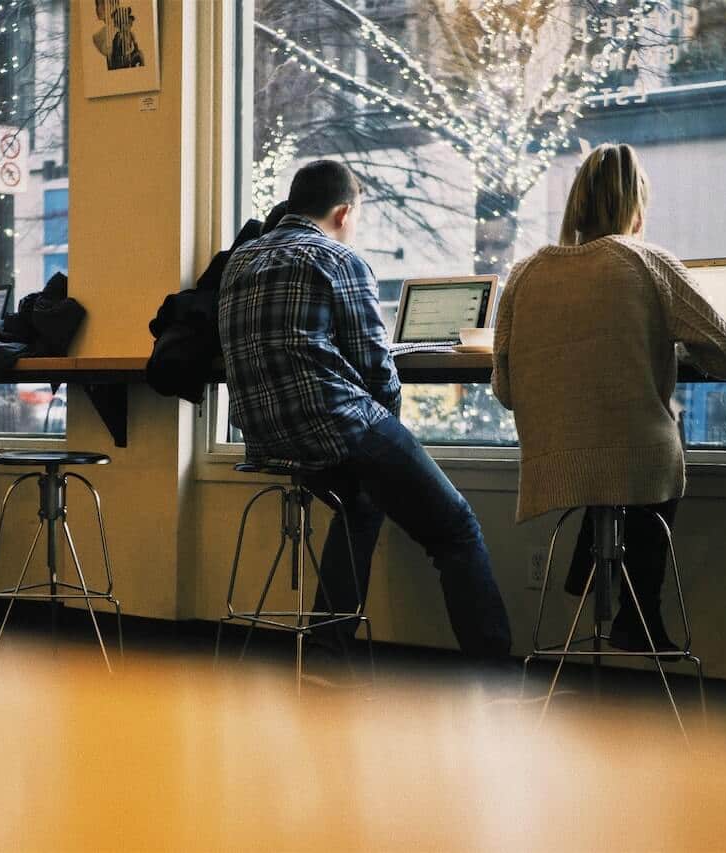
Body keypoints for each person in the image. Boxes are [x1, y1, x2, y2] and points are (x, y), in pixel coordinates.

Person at [218, 160, 512, 665]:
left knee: (363, 500)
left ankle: (328, 653)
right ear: (343, 211)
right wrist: (391, 432)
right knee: (455, 528)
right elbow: (376, 371)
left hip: (266, 437)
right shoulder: (338, 260)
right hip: (334, 426)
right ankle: (496, 674)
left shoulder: (240, 261)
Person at [492, 143, 726, 651]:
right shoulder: (647, 262)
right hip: (637, 460)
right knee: (649, 445)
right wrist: (669, 345)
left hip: (554, 458)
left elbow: (505, 390)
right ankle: (639, 612)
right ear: (637, 204)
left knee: (605, 458)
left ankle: (591, 577)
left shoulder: (523, 274)